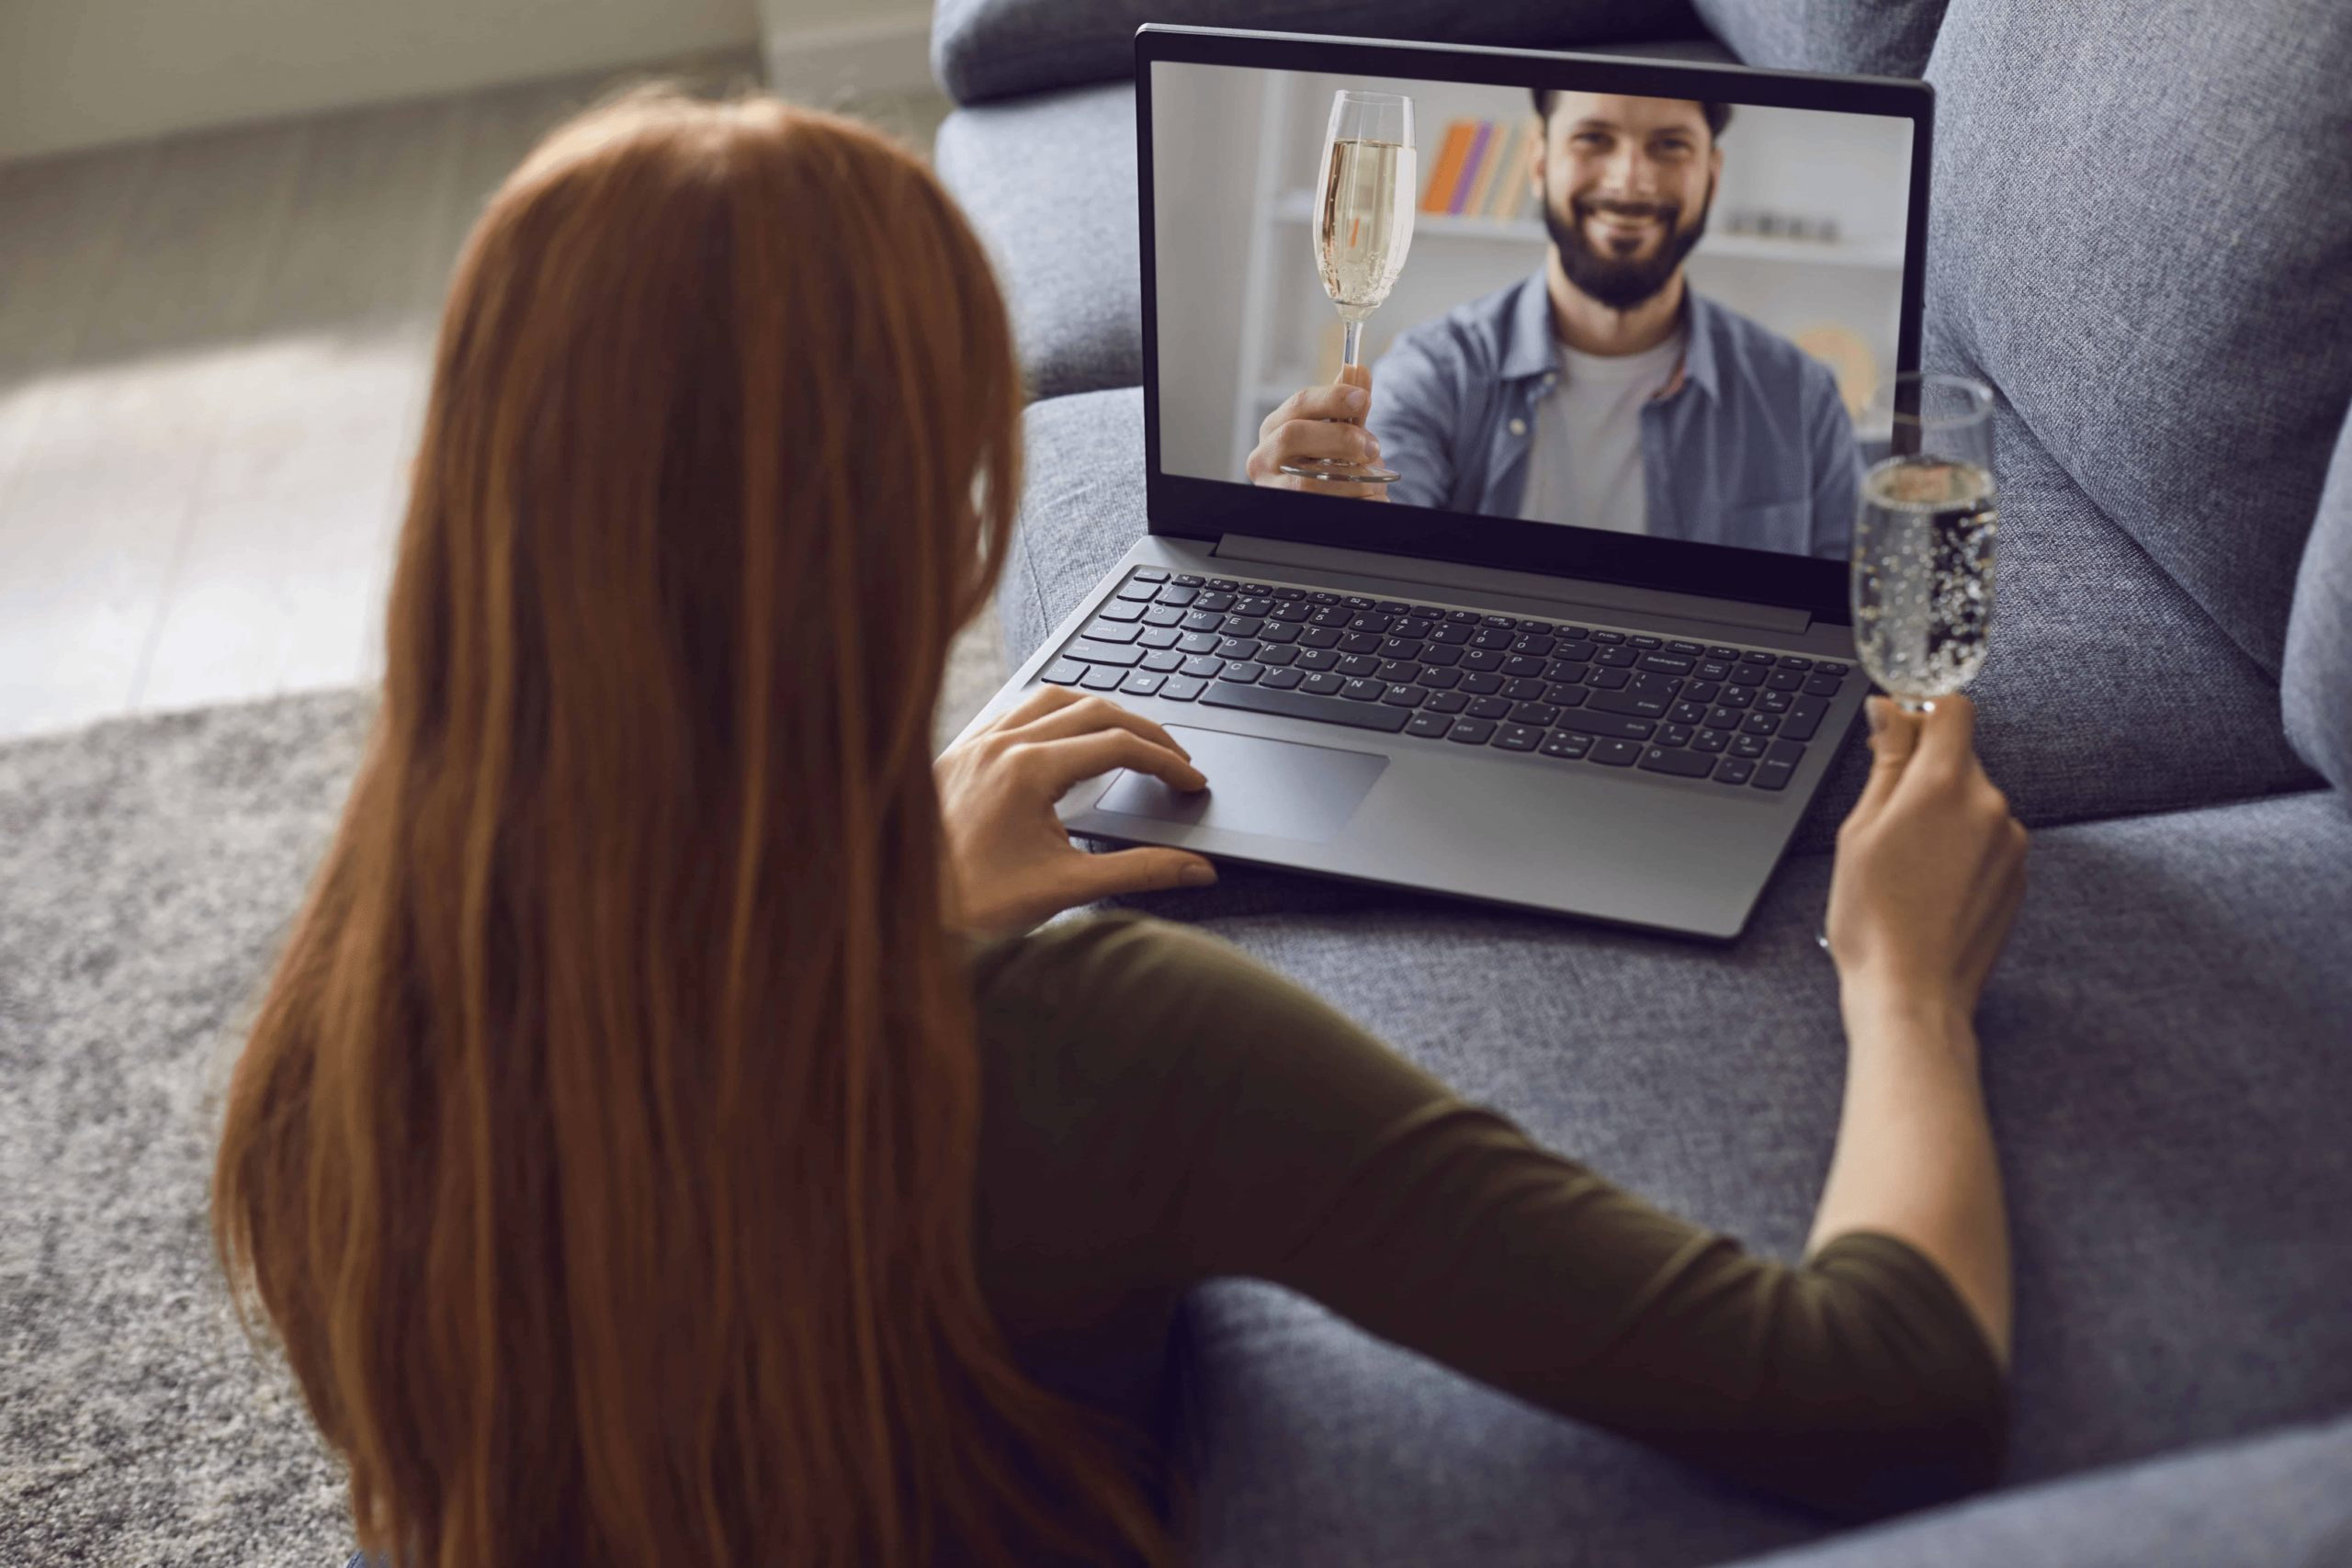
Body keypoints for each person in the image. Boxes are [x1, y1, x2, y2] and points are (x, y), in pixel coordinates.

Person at [213, 88, 2028, 1568]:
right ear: (924, 548)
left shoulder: (326, 1049)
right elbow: (1877, 1387)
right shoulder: (1101, 1052)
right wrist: (1902, 977)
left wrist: (896, 912)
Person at [1250, 91, 1861, 558]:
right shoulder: (1433, 370)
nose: (1631, 181)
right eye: (1594, 138)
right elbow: (1376, 540)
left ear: (1712, 173)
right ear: (1539, 161)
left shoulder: (1800, 395)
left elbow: (1852, 615)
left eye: (1671, 144)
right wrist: (1319, 522)